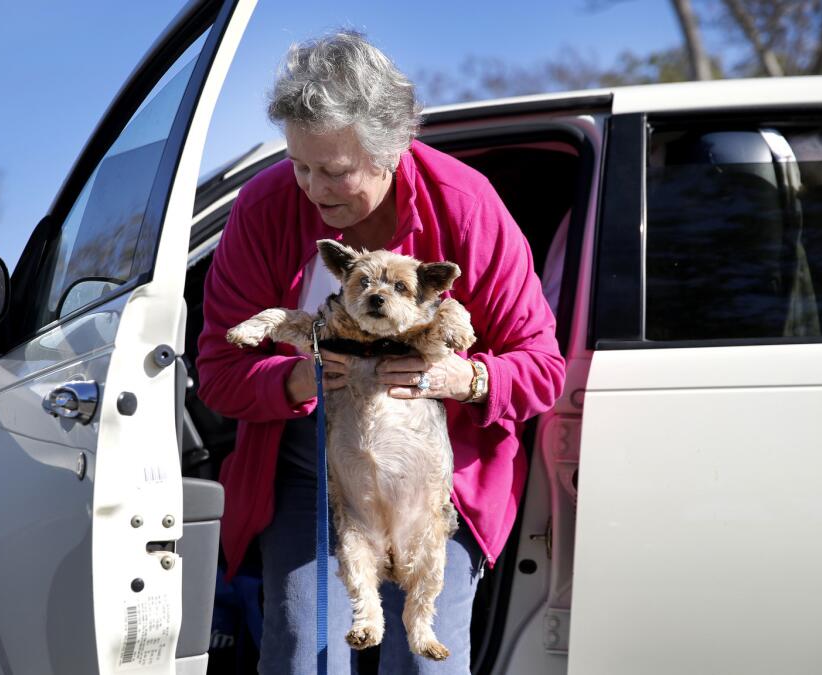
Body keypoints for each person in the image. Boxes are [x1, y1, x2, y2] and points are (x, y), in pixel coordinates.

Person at [194, 31, 565, 674]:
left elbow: (542, 368)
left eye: (334, 171)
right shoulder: (262, 209)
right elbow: (220, 374)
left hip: (431, 480)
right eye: (300, 166)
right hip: (314, 474)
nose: (311, 189)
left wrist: (463, 377)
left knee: (423, 663)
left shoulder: (467, 207)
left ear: (391, 149)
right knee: (301, 656)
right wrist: (297, 380)